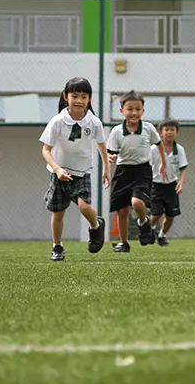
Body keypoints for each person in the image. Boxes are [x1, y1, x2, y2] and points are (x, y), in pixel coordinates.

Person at [39, 77, 109, 261]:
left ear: (89, 99)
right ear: (65, 97)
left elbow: (102, 145)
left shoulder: (94, 123)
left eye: (84, 96)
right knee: (58, 213)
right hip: (59, 174)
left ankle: (96, 226)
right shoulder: (57, 121)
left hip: (82, 173)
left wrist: (106, 169)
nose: (79, 100)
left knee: (85, 208)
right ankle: (57, 246)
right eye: (74, 95)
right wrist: (57, 169)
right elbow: (46, 150)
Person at [107, 91, 166, 251]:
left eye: (138, 109)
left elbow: (159, 144)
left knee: (137, 203)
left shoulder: (148, 128)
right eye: (130, 109)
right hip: (122, 171)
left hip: (142, 170)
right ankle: (124, 242)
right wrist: (111, 158)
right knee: (122, 210)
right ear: (122, 111)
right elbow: (111, 152)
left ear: (143, 111)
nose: (134, 113)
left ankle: (142, 222)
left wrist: (163, 163)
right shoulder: (116, 131)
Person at [148, 119, 188, 246]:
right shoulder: (154, 149)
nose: (169, 133)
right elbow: (147, 166)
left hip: (171, 185)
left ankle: (162, 236)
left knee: (171, 215)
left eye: (172, 130)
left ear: (177, 133)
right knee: (156, 213)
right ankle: (150, 229)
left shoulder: (179, 150)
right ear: (160, 132)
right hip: (156, 184)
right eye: (166, 130)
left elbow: (183, 168)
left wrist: (181, 182)